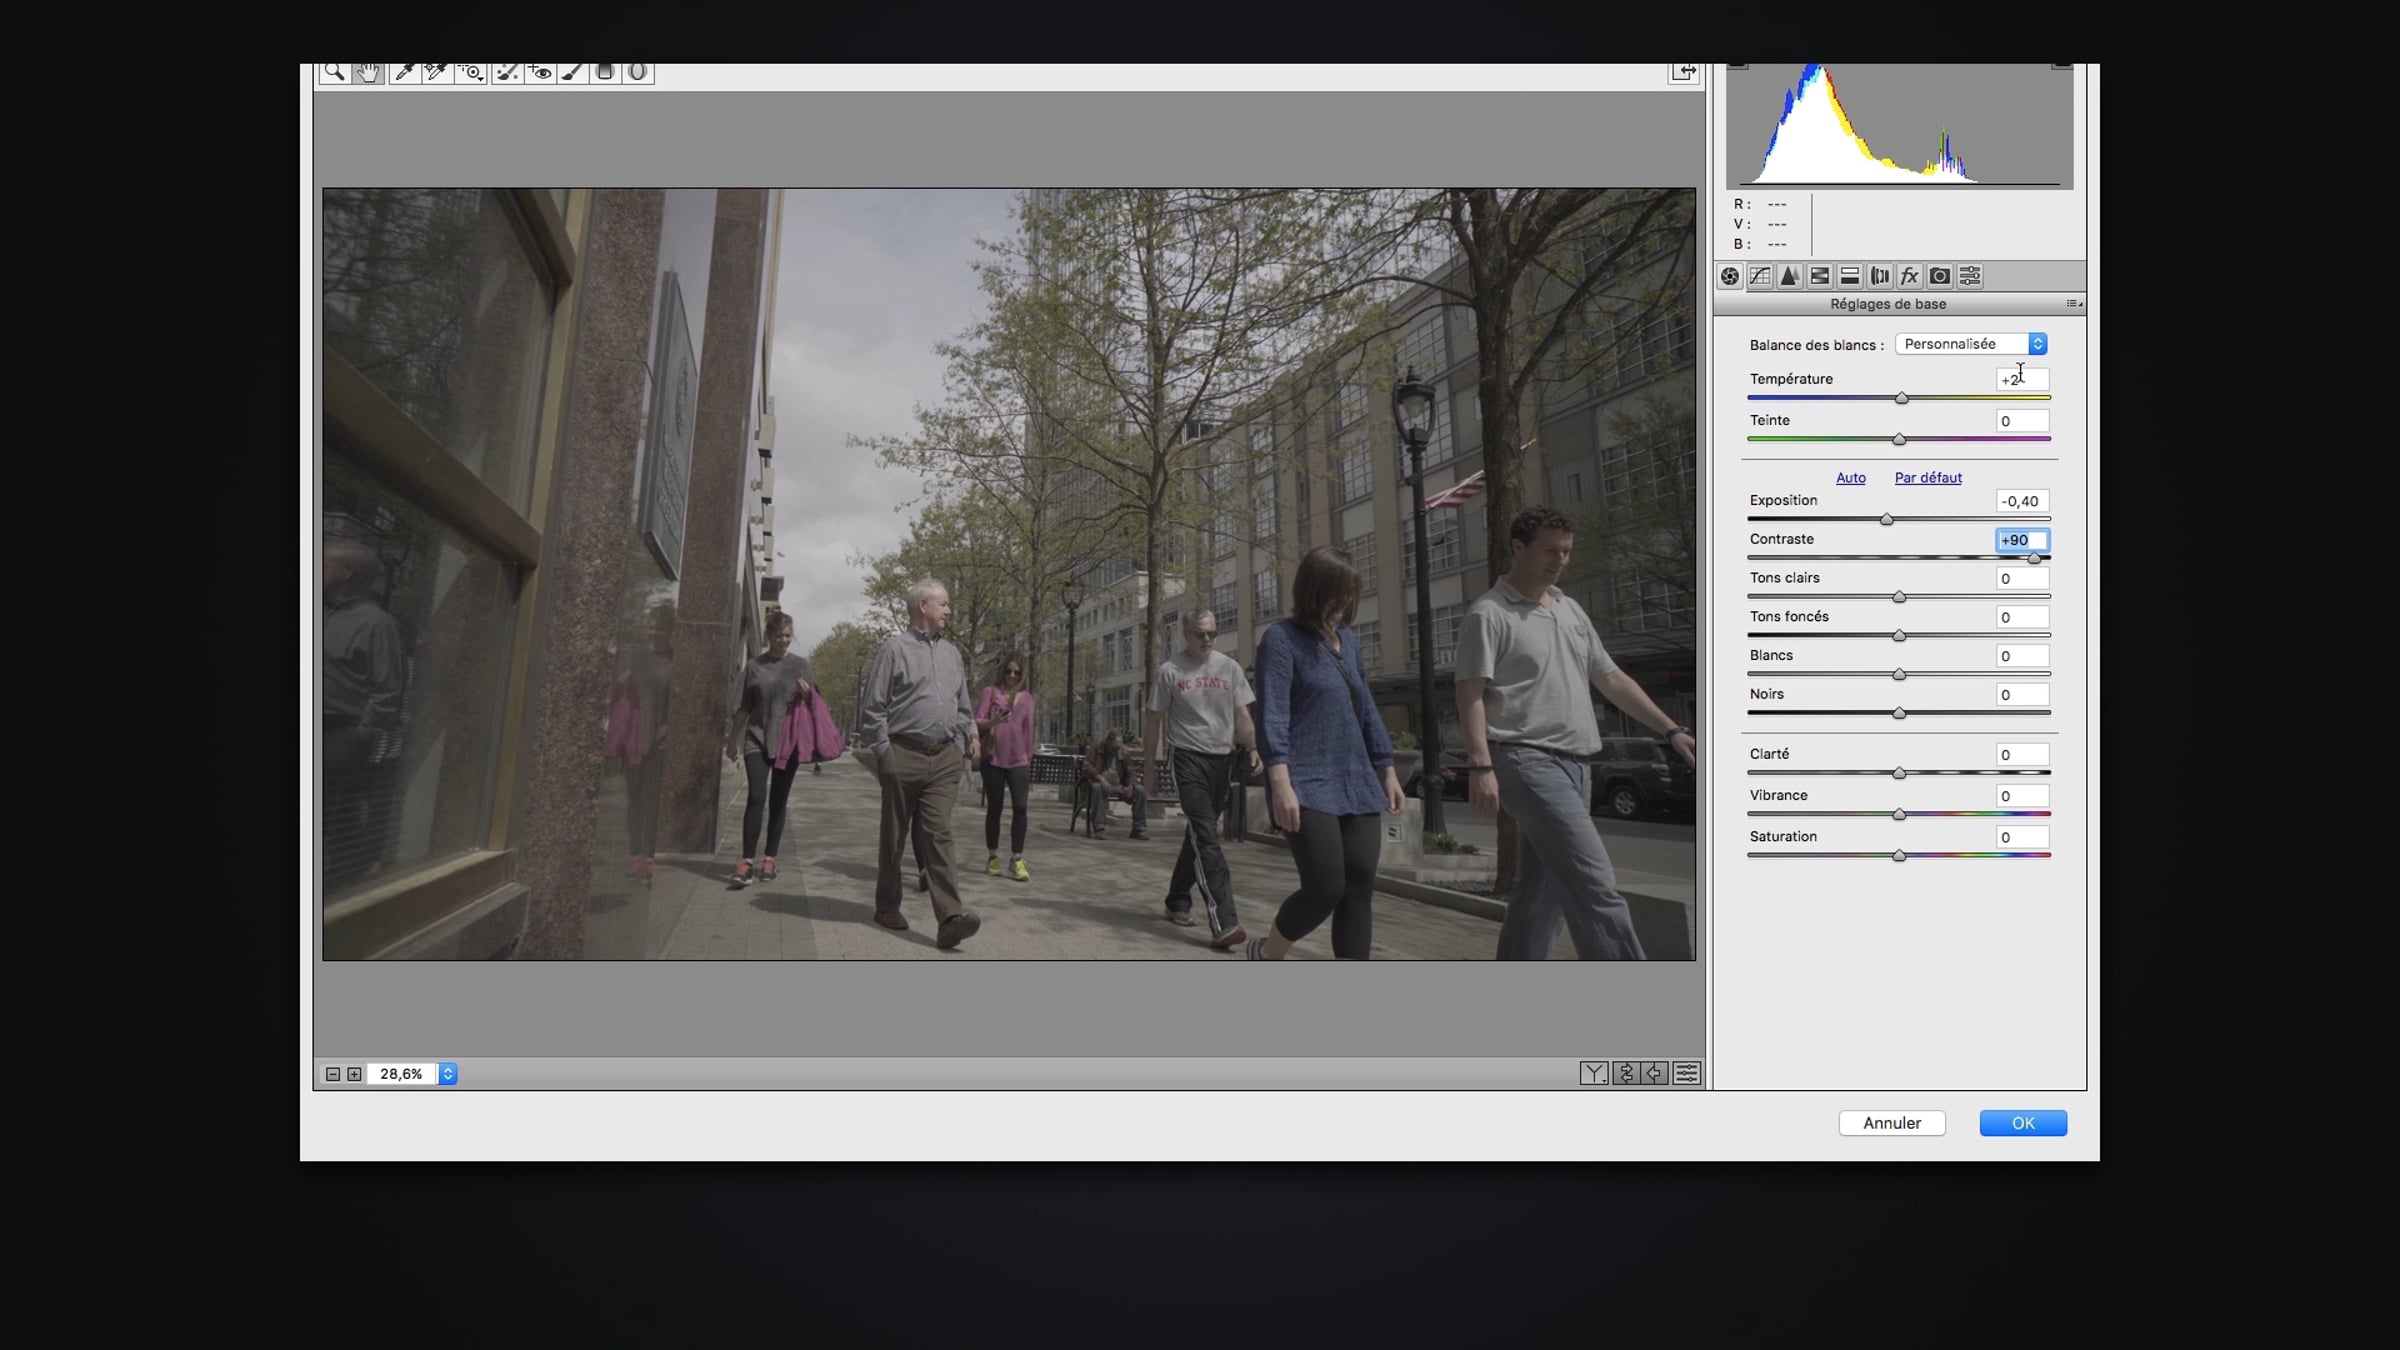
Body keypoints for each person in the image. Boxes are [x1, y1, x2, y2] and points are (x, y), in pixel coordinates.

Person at [1455, 506, 1698, 961]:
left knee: (1542, 891)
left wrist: (1672, 729)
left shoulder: (1569, 609)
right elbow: (1469, 694)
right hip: (1526, 760)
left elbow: (1611, 679)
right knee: (1595, 885)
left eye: (1566, 551)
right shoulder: (1488, 615)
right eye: (1550, 550)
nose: (1561, 560)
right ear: (1518, 547)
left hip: (1578, 764)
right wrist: (1481, 766)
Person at [1248, 546, 1405, 960]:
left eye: (1351, 591)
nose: (1346, 600)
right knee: (1325, 887)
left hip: (1355, 778)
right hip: (1305, 779)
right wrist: (1280, 783)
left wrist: (1386, 768)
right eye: (1339, 590)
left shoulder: (1347, 642)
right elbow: (1273, 714)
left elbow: (1365, 706)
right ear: (1315, 589)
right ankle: (1267, 954)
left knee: (1359, 887)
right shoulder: (1281, 640)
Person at [855, 579, 983, 949]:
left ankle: (950, 918)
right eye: (944, 604)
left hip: (944, 758)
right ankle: (887, 905)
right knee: (894, 835)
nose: (949, 611)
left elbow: (963, 706)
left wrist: (969, 735)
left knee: (939, 833)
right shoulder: (893, 650)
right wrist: (885, 754)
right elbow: (874, 708)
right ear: (923, 606)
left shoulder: (953, 654)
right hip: (903, 754)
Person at [1143, 610, 1261, 949]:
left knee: (1199, 833)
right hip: (1186, 758)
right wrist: (1150, 768)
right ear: (1186, 635)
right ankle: (1224, 921)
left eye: (1211, 633)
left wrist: (1253, 747)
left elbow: (1242, 713)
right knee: (1207, 837)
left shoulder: (1230, 667)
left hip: (1222, 759)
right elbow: (1153, 720)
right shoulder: (1170, 671)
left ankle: (1176, 900)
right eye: (1199, 633)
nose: (1206, 639)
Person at [322, 536, 408, 892]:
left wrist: (362, 734)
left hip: (339, 734)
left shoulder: (377, 624)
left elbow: (387, 688)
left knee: (332, 813)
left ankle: (343, 885)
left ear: (347, 572)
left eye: (322, 564)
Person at [723, 611, 815, 887]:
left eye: (787, 636)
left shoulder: (801, 665)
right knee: (756, 796)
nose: (783, 640)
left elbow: (815, 706)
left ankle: (770, 859)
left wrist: (807, 694)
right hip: (757, 739)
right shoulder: (754, 666)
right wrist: (732, 740)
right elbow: (743, 708)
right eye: (778, 636)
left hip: (788, 743)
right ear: (768, 635)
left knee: (778, 800)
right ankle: (746, 861)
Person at [606, 602, 675, 885]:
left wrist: (667, 733)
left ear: (670, 630)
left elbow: (675, 703)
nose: (654, 632)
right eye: (651, 627)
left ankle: (650, 854)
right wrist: (621, 681)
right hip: (634, 739)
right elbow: (615, 693)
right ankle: (635, 853)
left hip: (659, 740)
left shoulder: (674, 662)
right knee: (635, 798)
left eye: (660, 628)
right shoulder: (634, 656)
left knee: (653, 800)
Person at [976, 654, 1037, 882]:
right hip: (993, 758)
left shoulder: (1027, 699)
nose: (1012, 676)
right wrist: (993, 722)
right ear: (1002, 671)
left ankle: (1017, 858)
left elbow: (1028, 730)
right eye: (1008, 671)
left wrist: (1028, 757)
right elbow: (977, 721)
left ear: (1022, 675)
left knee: (1021, 806)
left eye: (1017, 673)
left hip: (1018, 759)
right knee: (995, 807)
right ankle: (992, 856)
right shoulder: (990, 692)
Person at [1080, 730, 1148, 840]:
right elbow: (1087, 767)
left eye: (1118, 747)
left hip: (1119, 785)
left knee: (1140, 790)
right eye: (1113, 747)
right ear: (1107, 742)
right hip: (1100, 784)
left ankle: (1139, 828)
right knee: (1096, 788)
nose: (1115, 750)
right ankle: (1099, 828)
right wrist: (1101, 779)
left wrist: (1131, 786)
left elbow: (1131, 772)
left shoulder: (1123, 752)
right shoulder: (1095, 749)